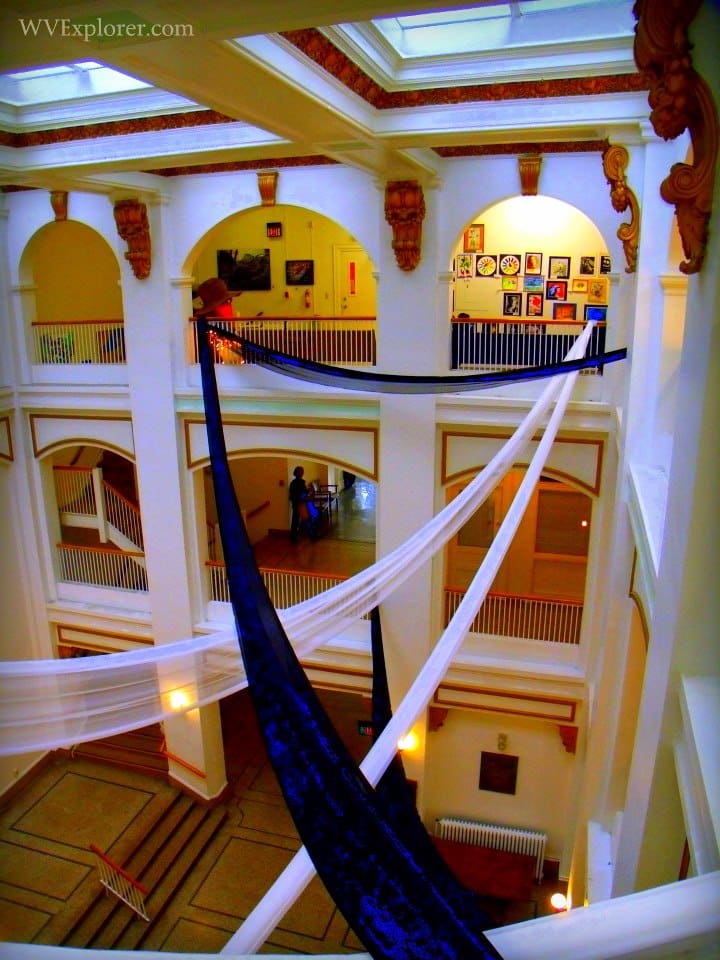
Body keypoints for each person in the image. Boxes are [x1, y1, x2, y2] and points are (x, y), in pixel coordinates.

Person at [288, 466, 317, 542]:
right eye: (301, 471)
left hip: (297, 504)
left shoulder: (294, 483)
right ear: (298, 473)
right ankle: (311, 536)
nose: (302, 473)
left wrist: (308, 491)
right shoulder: (299, 482)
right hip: (300, 504)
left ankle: (294, 537)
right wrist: (307, 495)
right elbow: (299, 494)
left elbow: (301, 492)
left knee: (296, 521)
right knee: (304, 520)